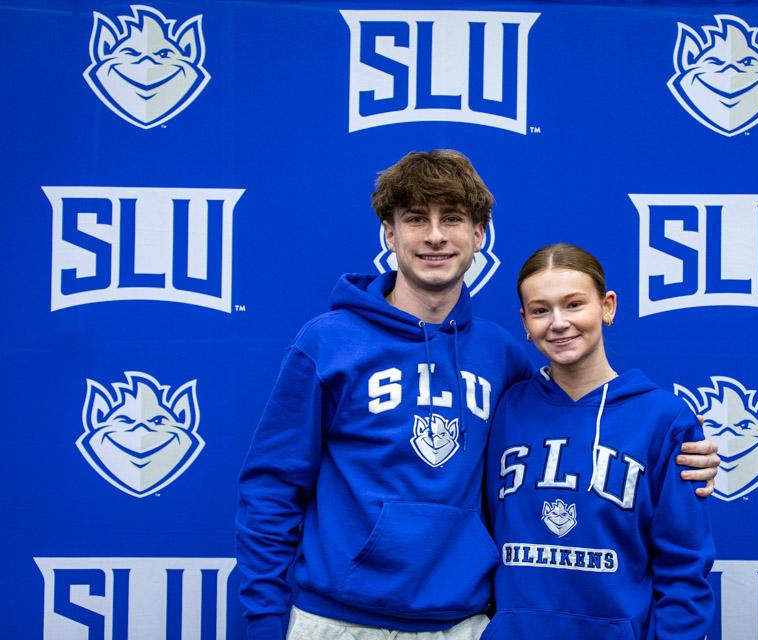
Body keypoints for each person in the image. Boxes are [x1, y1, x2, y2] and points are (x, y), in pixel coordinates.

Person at [236, 151, 719, 640]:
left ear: (479, 235)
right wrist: (264, 621)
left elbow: (568, 416)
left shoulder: (500, 354)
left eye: (452, 219)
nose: (435, 236)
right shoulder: (327, 343)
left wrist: (680, 456)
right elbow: (272, 488)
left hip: (460, 624)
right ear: (389, 234)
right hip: (337, 619)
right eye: (415, 219)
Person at [482, 243, 714, 640]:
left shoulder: (663, 419)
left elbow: (684, 568)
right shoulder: (503, 410)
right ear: (525, 321)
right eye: (541, 310)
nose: (558, 323)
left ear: (607, 306)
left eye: (574, 305)